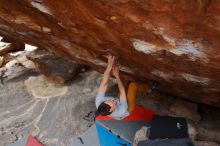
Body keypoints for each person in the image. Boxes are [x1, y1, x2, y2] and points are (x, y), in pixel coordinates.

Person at [95, 55, 150, 120]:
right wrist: (117, 76)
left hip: (119, 103)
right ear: (112, 110)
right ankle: (149, 88)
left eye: (109, 101)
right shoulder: (122, 110)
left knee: (124, 83)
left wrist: (109, 66)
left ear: (103, 102)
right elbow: (122, 92)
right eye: (113, 104)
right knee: (132, 86)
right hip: (128, 109)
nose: (113, 101)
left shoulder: (99, 101)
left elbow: (104, 83)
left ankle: (134, 82)